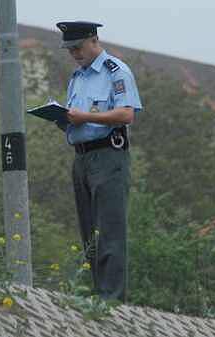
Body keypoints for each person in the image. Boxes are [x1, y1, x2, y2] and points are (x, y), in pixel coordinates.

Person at [55, 21, 142, 302]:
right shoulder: (77, 77)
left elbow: (126, 114)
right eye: (70, 49)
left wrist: (85, 118)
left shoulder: (115, 71)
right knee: (89, 232)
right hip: (81, 157)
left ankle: (112, 299)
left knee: (110, 231)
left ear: (94, 40)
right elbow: (77, 117)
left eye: (78, 47)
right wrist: (63, 118)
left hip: (108, 156)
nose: (74, 53)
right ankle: (96, 294)